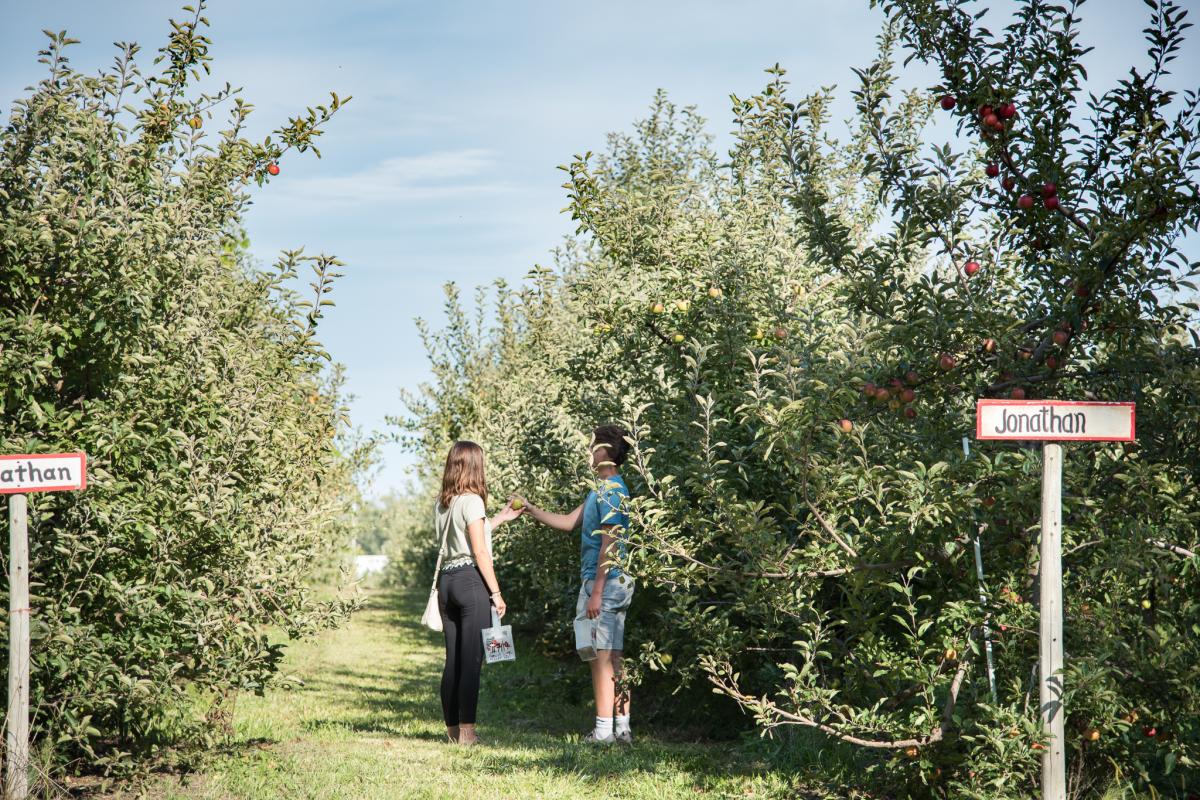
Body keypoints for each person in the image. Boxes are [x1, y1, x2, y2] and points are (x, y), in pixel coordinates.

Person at [516, 424, 635, 745]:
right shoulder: (602, 490)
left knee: (600, 657)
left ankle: (602, 732)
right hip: (612, 582)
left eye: (592, 446)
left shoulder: (611, 491)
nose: (588, 452)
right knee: (614, 656)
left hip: (606, 582)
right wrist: (530, 509)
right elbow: (569, 522)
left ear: (606, 451)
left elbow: (609, 543)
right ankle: (622, 728)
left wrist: (595, 591)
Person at [434, 440, 521, 745]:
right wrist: (496, 593)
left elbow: (467, 537)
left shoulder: (445, 502)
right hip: (471, 582)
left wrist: (499, 518)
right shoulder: (473, 501)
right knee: (471, 660)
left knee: (453, 660)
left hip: (447, 583)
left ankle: (452, 730)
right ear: (475, 466)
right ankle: (468, 733)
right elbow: (479, 552)